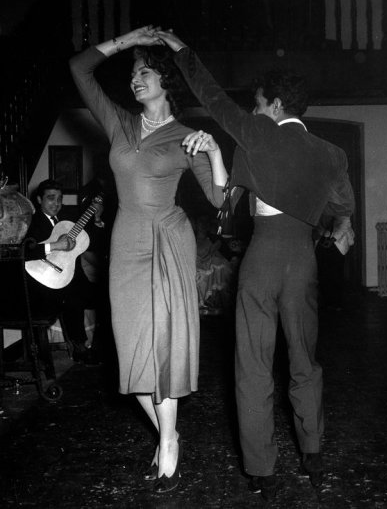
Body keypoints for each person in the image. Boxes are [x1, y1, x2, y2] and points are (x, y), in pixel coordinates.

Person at [159, 29, 355, 500]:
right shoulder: (332, 154)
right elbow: (343, 205)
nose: (251, 110)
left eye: (258, 102)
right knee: (305, 360)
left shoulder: (259, 132)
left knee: (253, 366)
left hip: (263, 259)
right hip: (303, 261)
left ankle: (261, 470)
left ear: (275, 105)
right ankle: (313, 453)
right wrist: (334, 228)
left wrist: (181, 49)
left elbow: (209, 93)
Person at [69, 26, 228, 493]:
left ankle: (169, 448)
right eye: (133, 73)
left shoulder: (186, 136)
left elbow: (219, 199)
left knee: (163, 344)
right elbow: (79, 68)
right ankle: (169, 432)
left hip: (167, 238)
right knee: (131, 352)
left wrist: (215, 149)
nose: (135, 79)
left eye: (145, 71)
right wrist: (127, 40)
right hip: (126, 241)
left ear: (166, 81)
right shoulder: (119, 121)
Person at [25, 179, 104, 364]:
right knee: (73, 297)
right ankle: (80, 347)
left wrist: (97, 218)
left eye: (60, 199)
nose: (56, 203)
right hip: (42, 283)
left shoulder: (67, 220)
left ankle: (99, 346)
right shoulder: (31, 222)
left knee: (107, 296)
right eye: (50, 198)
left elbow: (95, 241)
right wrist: (55, 245)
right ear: (39, 199)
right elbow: (25, 250)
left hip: (69, 278)